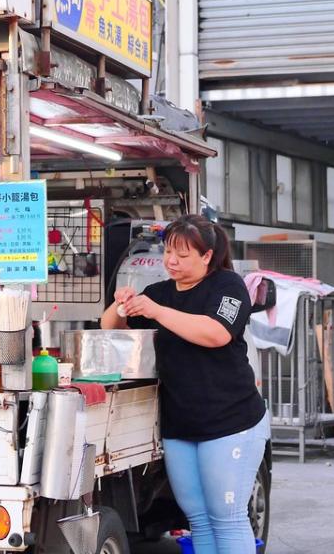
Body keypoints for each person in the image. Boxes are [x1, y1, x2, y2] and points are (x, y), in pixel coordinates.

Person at [101, 214, 269, 554]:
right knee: (199, 518)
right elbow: (109, 327)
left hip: (231, 421)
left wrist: (157, 311)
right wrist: (121, 306)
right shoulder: (159, 292)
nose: (171, 261)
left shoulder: (227, 286)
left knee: (228, 516)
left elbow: (216, 333)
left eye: (183, 254)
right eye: (168, 253)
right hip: (180, 424)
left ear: (207, 256)